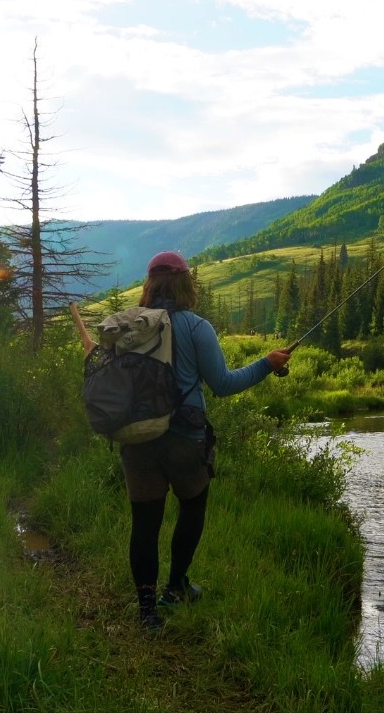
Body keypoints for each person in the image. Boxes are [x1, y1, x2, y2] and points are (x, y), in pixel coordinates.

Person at [121, 250, 290, 630]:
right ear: (185, 284)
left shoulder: (129, 326)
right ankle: (176, 587)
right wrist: (267, 363)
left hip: (137, 437)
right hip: (184, 436)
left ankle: (147, 611)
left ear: (149, 285)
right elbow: (224, 385)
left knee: (144, 523)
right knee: (192, 507)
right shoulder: (197, 328)